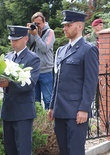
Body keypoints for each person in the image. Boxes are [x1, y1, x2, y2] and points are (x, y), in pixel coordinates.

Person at [47, 10, 99, 155]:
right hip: (60, 110)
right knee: (64, 151)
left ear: (79, 26)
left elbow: (90, 82)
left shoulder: (88, 50)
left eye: (68, 25)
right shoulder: (62, 50)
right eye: (64, 25)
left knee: (75, 151)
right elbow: (57, 80)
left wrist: (84, 109)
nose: (65, 28)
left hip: (76, 111)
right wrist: (52, 106)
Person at [0, 25, 40, 155]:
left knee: (23, 150)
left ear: (25, 39)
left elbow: (30, 83)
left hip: (23, 112)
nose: (12, 43)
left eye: (16, 40)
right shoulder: (8, 57)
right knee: (10, 150)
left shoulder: (33, 58)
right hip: (8, 110)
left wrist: (8, 83)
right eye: (11, 40)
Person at [27, 12, 55, 110]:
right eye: (35, 23)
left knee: (48, 99)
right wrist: (27, 32)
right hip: (34, 70)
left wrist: (36, 36)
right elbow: (27, 45)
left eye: (39, 23)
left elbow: (44, 48)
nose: (37, 25)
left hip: (46, 70)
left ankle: (49, 122)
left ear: (44, 22)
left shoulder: (50, 32)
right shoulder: (32, 32)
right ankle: (38, 122)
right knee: (35, 100)